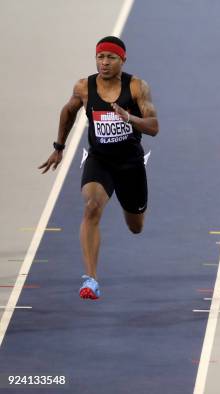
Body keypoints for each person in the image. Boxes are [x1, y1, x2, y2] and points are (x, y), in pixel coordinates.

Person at [39, 36, 159, 299]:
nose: (104, 63)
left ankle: (131, 207)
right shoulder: (84, 87)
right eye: (100, 57)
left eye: (111, 58)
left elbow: (154, 127)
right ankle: (91, 279)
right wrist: (59, 147)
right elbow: (68, 111)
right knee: (92, 207)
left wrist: (130, 117)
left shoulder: (137, 87)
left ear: (122, 60)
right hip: (100, 160)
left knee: (135, 226)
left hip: (130, 164)